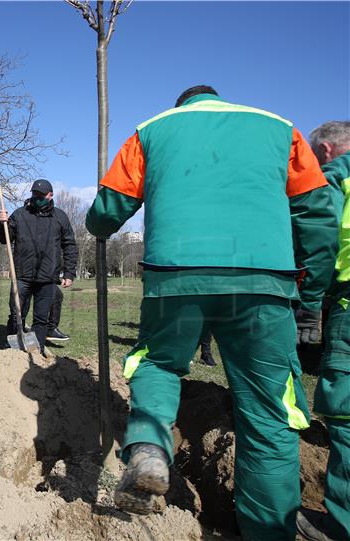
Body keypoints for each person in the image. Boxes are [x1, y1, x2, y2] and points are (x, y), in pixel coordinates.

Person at [85, 85, 337, 540]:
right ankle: (268, 532)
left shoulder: (152, 130)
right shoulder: (283, 130)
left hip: (176, 279)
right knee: (267, 414)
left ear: (183, 104)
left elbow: (106, 212)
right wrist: (311, 297)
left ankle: (146, 450)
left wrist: (98, 223)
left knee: (159, 364)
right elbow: (316, 215)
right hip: (264, 284)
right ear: (220, 100)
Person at [296, 120, 350, 541]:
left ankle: (341, 524)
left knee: (345, 411)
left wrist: (311, 303)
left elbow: (320, 236)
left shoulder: (336, 176)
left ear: (327, 151)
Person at [0, 179, 78, 355]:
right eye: (34, 194)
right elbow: (4, 239)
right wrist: (2, 223)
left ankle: (37, 350)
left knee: (41, 318)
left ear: (50, 196)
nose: (37, 197)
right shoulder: (20, 214)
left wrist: (69, 272)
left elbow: (69, 245)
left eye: (41, 195)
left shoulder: (60, 217)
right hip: (22, 275)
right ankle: (12, 350)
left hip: (47, 277)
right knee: (16, 313)